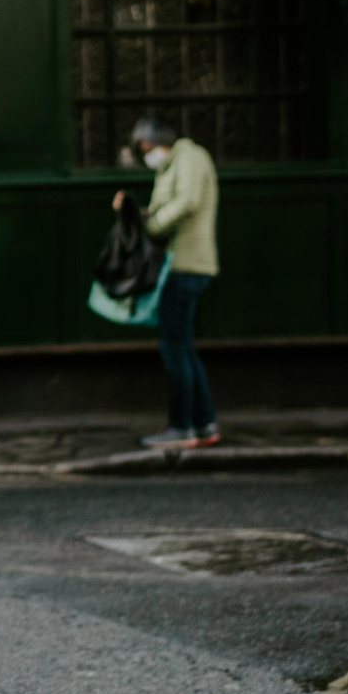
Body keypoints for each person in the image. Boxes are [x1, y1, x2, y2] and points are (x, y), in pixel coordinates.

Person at [116, 116, 220, 449]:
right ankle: (204, 424)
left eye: (147, 148)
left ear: (160, 140)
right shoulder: (174, 164)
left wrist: (153, 224)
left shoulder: (189, 157)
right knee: (183, 344)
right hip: (184, 262)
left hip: (186, 263)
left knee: (173, 345)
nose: (147, 155)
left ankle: (181, 427)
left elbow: (186, 202)